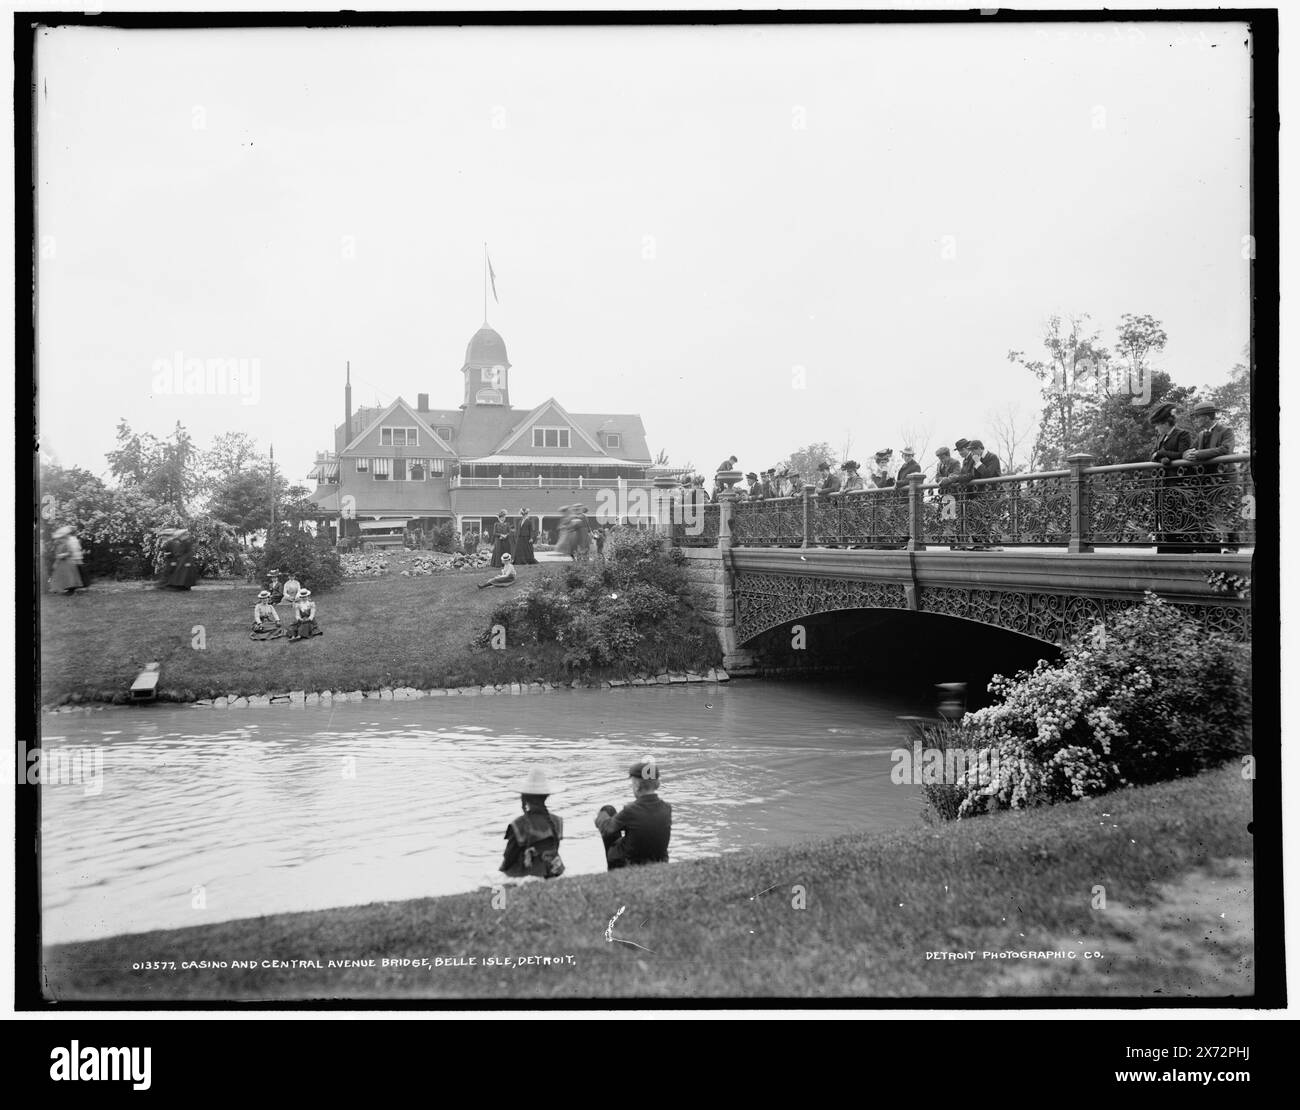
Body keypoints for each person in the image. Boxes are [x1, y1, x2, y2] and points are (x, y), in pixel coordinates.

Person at [594, 758, 672, 869]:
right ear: (657, 784)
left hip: (630, 862)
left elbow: (607, 828)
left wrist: (600, 817)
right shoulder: (667, 808)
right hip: (659, 859)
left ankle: (613, 870)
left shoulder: (630, 810)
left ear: (636, 785)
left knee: (607, 811)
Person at [1182, 401, 1238, 549]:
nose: (1196, 420)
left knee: (1228, 510)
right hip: (1208, 481)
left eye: (1197, 417)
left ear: (1206, 417)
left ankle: (1232, 547)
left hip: (1225, 477)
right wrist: (1186, 453)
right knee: (1209, 512)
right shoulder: (1201, 434)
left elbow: (1226, 449)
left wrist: (1199, 454)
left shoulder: (1226, 431)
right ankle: (1212, 546)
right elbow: (1190, 450)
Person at [500, 768, 566, 880]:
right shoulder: (557, 821)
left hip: (526, 875)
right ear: (546, 796)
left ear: (525, 797)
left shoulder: (518, 825)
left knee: (489, 882)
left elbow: (509, 858)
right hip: (553, 872)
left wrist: (502, 870)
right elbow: (555, 849)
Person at [1148, 401, 1194, 553]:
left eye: (1158, 425)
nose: (1156, 428)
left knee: (1177, 516)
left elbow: (1182, 454)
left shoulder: (1182, 434)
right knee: (1164, 516)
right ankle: (1165, 549)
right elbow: (1152, 456)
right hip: (1163, 485)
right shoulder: (1160, 438)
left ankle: (1179, 550)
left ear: (1167, 423)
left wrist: (1162, 454)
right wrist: (1162, 458)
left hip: (1178, 484)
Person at [963, 440, 1003, 549]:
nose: (973, 452)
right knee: (979, 516)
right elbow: (973, 476)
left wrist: (978, 463)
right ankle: (981, 543)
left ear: (980, 448)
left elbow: (988, 474)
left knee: (992, 517)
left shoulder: (992, 457)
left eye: (974, 449)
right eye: (971, 450)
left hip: (993, 492)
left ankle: (996, 544)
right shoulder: (975, 459)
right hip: (980, 493)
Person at [49, 525, 85, 594]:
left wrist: (63, 555)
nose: (59, 540)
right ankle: (57, 589)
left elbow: (70, 552)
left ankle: (70, 590)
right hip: (61, 563)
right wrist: (56, 562)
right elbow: (57, 555)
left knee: (69, 577)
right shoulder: (58, 545)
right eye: (58, 539)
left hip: (68, 562)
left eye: (60, 538)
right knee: (59, 575)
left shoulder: (68, 543)